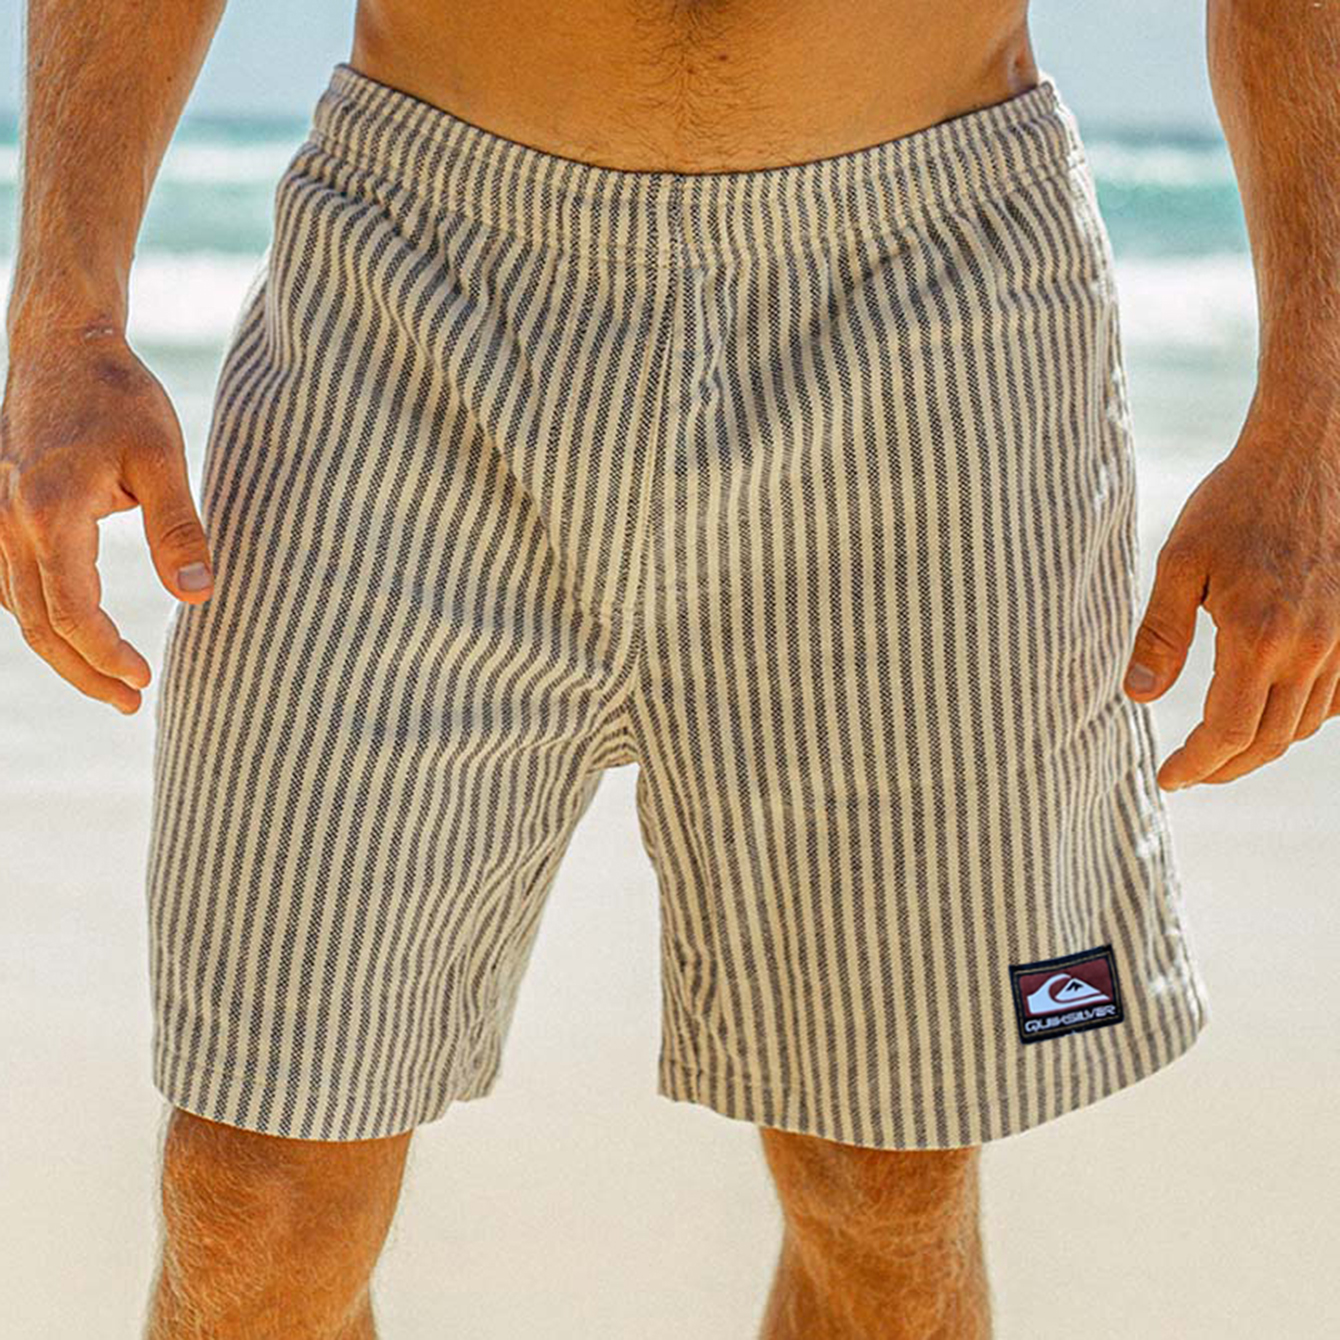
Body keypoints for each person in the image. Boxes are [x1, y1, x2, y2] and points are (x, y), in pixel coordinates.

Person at [3, 0, 1337, 1335]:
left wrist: (1313, 422)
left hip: (933, 308)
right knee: (259, 1182)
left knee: (890, 1181)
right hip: (412, 280)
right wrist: (65, 315)